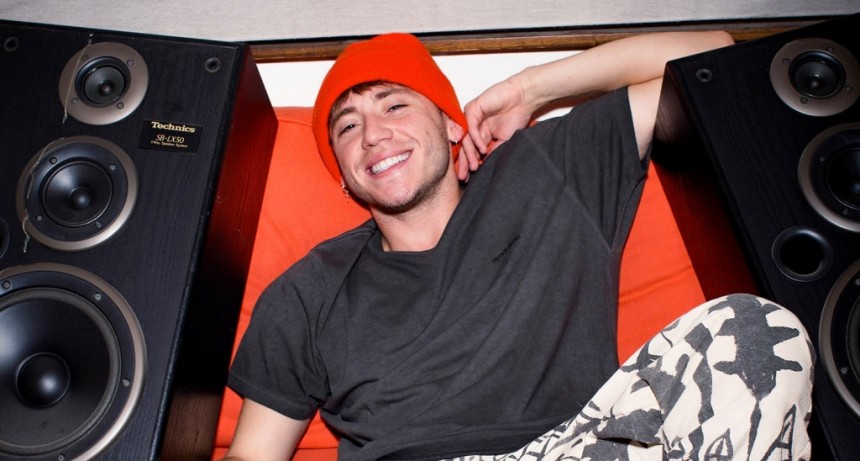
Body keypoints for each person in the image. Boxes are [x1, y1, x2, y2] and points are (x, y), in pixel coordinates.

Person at [223, 31, 814, 461]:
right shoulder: (309, 292)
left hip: (580, 445)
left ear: (451, 124)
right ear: (345, 178)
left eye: (395, 104)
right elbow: (253, 452)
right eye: (347, 127)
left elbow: (713, 56)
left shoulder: (546, 168)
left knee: (756, 328)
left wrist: (533, 88)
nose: (373, 134)